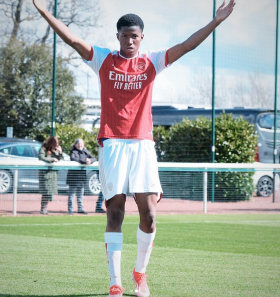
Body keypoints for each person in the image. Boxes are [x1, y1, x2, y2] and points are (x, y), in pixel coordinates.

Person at [33, 0, 236, 295]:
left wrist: (215, 21)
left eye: (135, 36)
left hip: (142, 145)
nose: (130, 40)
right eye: (125, 35)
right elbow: (72, 39)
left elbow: (187, 45)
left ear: (142, 38)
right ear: (118, 36)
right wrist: (44, 11)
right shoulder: (102, 59)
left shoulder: (151, 61)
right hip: (113, 144)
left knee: (150, 215)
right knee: (115, 213)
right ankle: (115, 281)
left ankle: (140, 273)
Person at [66, 138, 96, 215]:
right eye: (78, 144)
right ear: (75, 144)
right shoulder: (73, 152)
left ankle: (80, 208)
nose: (80, 145)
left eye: (81, 144)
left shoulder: (85, 152)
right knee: (72, 194)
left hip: (81, 177)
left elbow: (94, 158)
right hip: (73, 177)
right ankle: (70, 210)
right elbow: (74, 158)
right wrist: (84, 161)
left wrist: (90, 161)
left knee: (80, 194)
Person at [38, 136, 64, 214]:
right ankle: (43, 209)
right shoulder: (44, 148)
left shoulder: (56, 149)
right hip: (45, 173)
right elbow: (41, 157)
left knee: (50, 192)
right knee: (45, 191)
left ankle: (45, 208)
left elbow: (61, 160)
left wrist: (60, 153)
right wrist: (52, 159)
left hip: (53, 174)